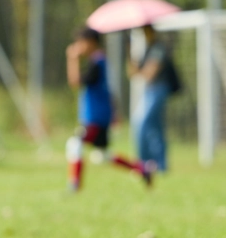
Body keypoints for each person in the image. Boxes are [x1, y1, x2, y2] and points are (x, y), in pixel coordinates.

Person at [66, 27, 152, 191]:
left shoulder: (96, 64)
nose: (78, 46)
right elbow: (110, 90)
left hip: (95, 117)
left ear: (90, 43)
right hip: (102, 115)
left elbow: (75, 82)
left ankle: (74, 185)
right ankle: (142, 169)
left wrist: (72, 59)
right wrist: (115, 112)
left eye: (80, 43)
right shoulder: (102, 62)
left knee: (74, 144)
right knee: (101, 155)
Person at [129, 24, 180, 173]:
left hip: (158, 90)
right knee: (155, 127)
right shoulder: (147, 49)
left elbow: (150, 74)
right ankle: (157, 164)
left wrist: (142, 70)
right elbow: (134, 74)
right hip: (150, 90)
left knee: (142, 123)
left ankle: (145, 163)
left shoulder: (158, 48)